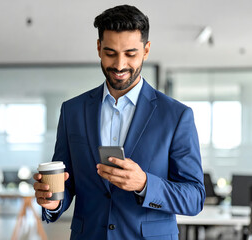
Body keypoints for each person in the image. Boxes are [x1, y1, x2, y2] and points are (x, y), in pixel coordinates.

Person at [33, 5, 205, 240]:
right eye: (110, 53)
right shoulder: (72, 110)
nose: (120, 65)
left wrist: (144, 183)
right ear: (98, 48)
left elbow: (194, 197)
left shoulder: (176, 116)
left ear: (146, 50)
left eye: (131, 54)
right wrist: (51, 202)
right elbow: (67, 183)